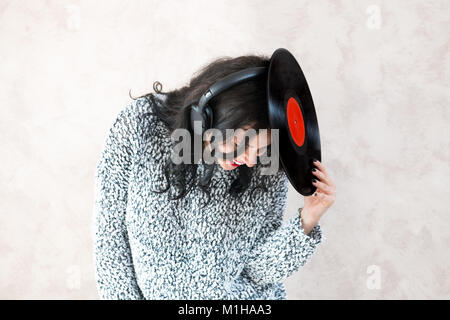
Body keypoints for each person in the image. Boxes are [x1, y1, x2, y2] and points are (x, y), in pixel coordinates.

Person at [92, 54, 336, 300]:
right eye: (244, 142)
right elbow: (110, 240)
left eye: (261, 149)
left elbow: (259, 272)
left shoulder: (267, 166)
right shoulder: (140, 125)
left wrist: (308, 218)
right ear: (207, 115)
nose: (251, 159)